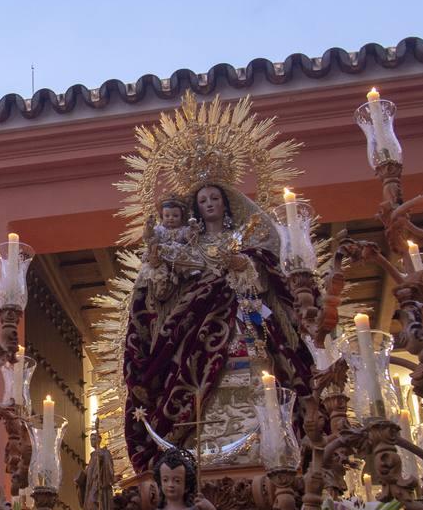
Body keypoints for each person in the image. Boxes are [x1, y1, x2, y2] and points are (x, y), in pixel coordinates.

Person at [123, 182, 313, 474]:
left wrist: (241, 264)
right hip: (197, 328)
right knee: (195, 377)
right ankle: (200, 452)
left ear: (226, 203)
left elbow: (260, 281)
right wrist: (160, 264)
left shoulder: (243, 240)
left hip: (241, 321)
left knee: (258, 371)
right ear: (195, 209)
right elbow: (162, 295)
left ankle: (269, 448)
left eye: (214, 198)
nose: (209, 203)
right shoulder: (186, 244)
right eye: (202, 200)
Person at [76, 427, 115, 510]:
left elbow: (109, 468)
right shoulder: (93, 456)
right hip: (92, 484)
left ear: (99, 439)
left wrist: (102, 458)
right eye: (90, 439)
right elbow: (89, 472)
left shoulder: (104, 452)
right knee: (90, 503)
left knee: (93, 501)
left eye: (94, 439)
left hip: (101, 484)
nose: (92, 441)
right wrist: (81, 478)